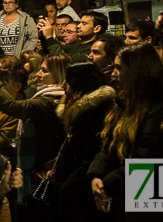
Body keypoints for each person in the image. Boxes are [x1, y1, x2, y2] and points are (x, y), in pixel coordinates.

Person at [88, 42, 163, 216]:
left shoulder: (160, 112)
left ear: (137, 71)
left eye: (119, 68)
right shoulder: (124, 104)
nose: (114, 73)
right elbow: (108, 144)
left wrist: (106, 183)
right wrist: (96, 174)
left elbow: (146, 161)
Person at [0, 54, 71, 213]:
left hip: (40, 171)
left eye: (44, 71)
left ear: (59, 74)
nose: (38, 74)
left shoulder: (50, 101)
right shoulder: (44, 96)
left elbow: (13, 107)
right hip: (36, 168)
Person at [49, 63, 114, 222]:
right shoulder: (78, 110)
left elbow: (89, 156)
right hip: (72, 184)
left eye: (68, 81)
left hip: (80, 190)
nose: (64, 85)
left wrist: (66, 187)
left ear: (79, 86)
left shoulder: (93, 115)